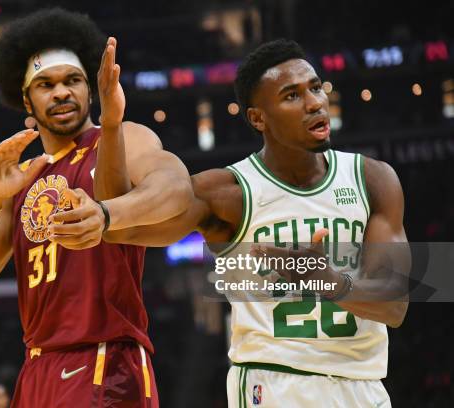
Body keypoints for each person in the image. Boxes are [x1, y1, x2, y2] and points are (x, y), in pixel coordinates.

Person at [63, 39, 409, 407]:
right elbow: (119, 228)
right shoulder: (229, 193)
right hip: (273, 383)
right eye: (292, 96)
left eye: (315, 87)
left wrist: (326, 280)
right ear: (259, 118)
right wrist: (112, 126)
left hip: (364, 386)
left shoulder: (373, 180)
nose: (314, 103)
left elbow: (394, 305)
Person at [0, 8, 192, 408]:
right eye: (45, 84)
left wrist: (109, 214)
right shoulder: (21, 180)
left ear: (90, 88)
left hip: (105, 361)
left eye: (72, 80)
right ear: (26, 99)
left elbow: (178, 189)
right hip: (37, 367)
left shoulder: (122, 138)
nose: (60, 92)